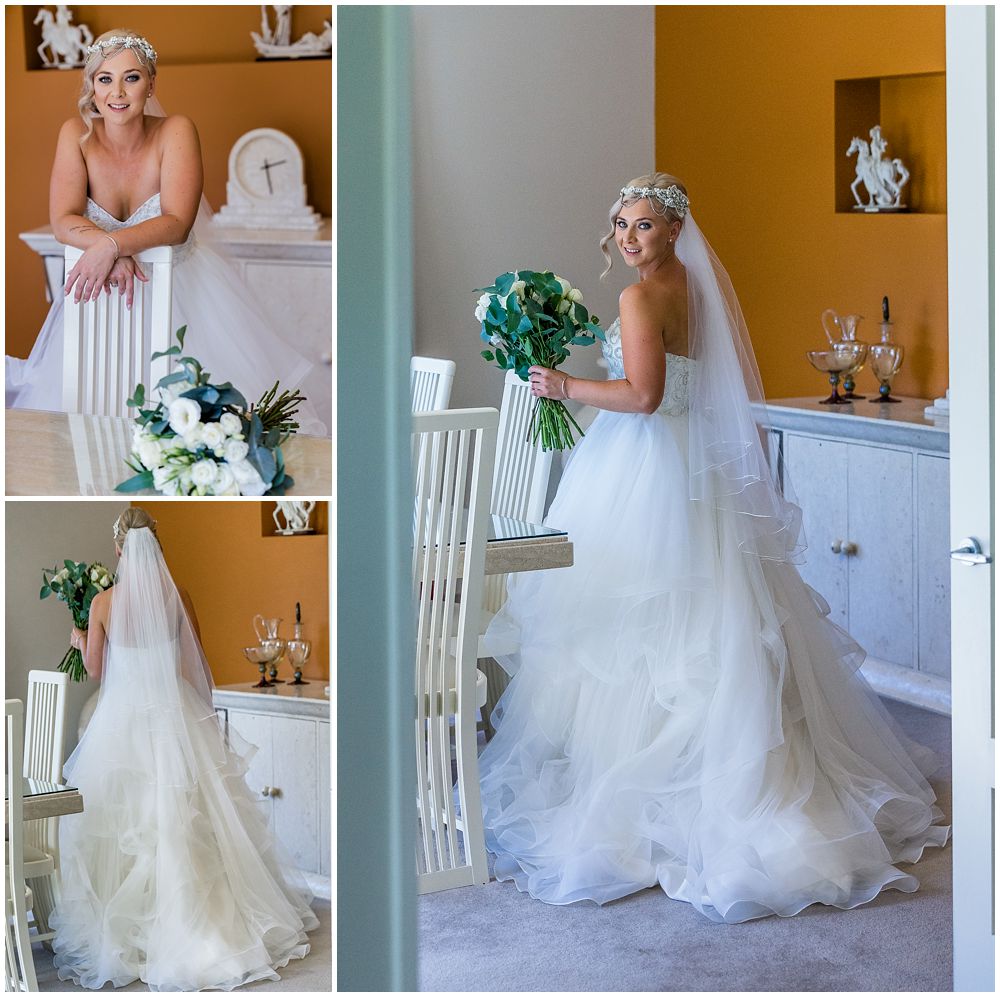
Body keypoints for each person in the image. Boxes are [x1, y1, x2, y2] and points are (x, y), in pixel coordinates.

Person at [478, 172, 950, 923]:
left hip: (645, 466)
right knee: (722, 616)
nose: (628, 238)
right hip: (694, 469)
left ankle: (650, 793)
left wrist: (564, 384)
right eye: (621, 226)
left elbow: (643, 396)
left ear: (672, 229)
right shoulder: (695, 290)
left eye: (642, 225)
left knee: (639, 629)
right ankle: (750, 772)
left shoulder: (638, 298)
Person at [6, 29, 328, 436]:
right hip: (100, 305)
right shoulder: (76, 134)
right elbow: (63, 218)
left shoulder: (176, 130)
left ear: (151, 83)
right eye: (104, 79)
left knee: (198, 429)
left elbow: (177, 222)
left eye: (132, 77)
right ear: (92, 85)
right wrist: (110, 252)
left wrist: (110, 244)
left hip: (186, 299)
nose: (117, 92)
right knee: (89, 424)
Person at [50, 507, 319, 990]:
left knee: (126, 823)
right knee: (189, 820)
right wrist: (205, 720)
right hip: (174, 715)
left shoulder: (103, 604)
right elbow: (197, 666)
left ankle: (134, 938)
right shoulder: (179, 598)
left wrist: (79, 637)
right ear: (158, 548)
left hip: (122, 722)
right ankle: (206, 927)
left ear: (117, 550)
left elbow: (94, 671)